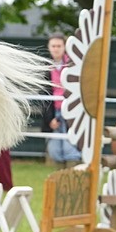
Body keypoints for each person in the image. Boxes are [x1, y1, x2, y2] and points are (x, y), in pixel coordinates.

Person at [42, 33, 82, 167]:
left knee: (70, 149)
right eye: (53, 46)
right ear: (49, 47)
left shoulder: (73, 66)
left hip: (70, 112)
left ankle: (72, 176)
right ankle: (59, 179)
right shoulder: (45, 67)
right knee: (55, 151)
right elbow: (44, 96)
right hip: (54, 113)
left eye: (59, 46)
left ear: (64, 47)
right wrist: (49, 119)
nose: (56, 49)